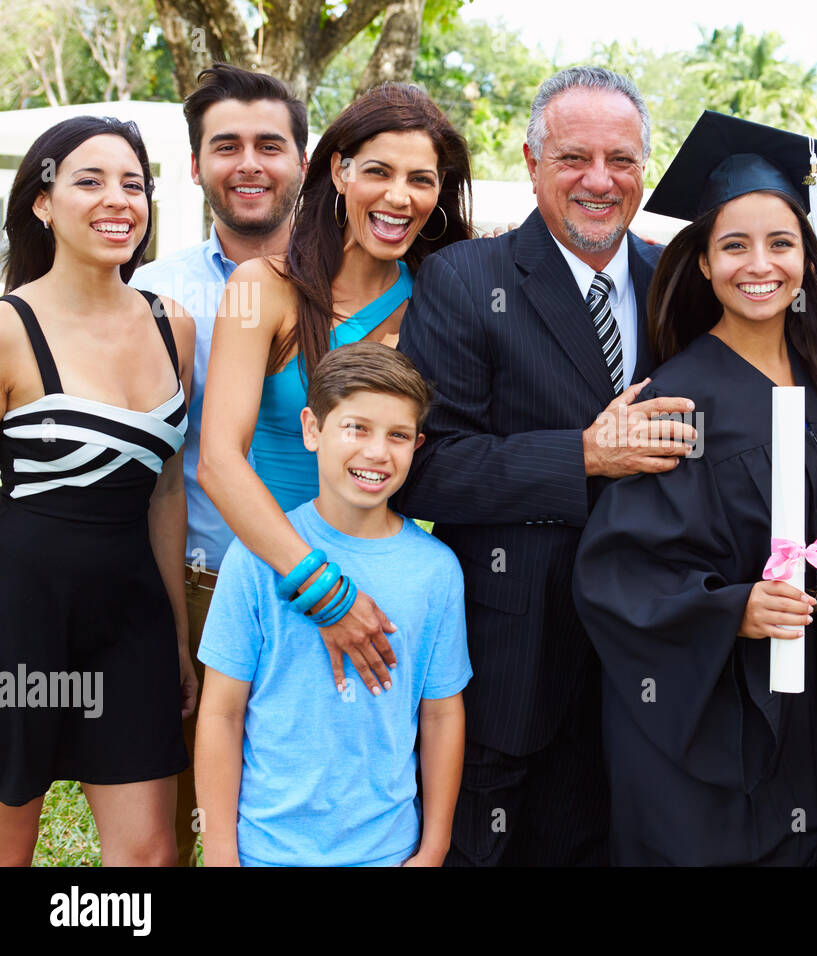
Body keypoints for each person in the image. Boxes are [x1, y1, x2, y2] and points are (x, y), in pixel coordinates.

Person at [394, 67, 693, 866]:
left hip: (644, 666)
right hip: (510, 666)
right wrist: (585, 456)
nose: (600, 181)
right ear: (531, 162)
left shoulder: (679, 285)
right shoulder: (464, 280)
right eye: (573, 158)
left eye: (621, 160)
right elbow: (430, 469)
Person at [572, 112, 817, 865]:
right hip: (705, 718)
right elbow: (615, 574)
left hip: (815, 697)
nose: (759, 264)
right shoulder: (674, 400)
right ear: (703, 264)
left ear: (807, 260)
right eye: (733, 245)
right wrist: (729, 608)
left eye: (780, 243)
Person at [199, 83, 471, 701]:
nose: (399, 197)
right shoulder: (261, 286)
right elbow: (219, 459)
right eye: (378, 171)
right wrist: (324, 592)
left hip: (386, 592)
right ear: (339, 171)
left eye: (421, 180)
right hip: (272, 578)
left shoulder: (439, 299)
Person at [0, 117, 196, 865]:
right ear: (43, 203)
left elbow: (166, 488)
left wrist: (175, 636)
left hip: (131, 625)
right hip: (20, 621)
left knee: (149, 855)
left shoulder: (170, 323)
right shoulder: (9, 327)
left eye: (133, 184)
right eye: (90, 180)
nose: (118, 200)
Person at [129, 62, 308, 866]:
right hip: (198, 589)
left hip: (328, 588)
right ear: (196, 163)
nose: (249, 164)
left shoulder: (343, 284)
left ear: (305, 161)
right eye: (225, 146)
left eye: (270, 145)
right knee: (182, 824)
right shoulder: (150, 292)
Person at [194, 342, 469, 866]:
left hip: (385, 851)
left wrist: (433, 849)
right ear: (312, 429)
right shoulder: (255, 558)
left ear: (418, 444)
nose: (376, 453)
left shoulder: (436, 572)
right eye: (356, 428)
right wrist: (221, 855)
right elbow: (223, 715)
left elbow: (440, 715)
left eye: (398, 436)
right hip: (266, 851)